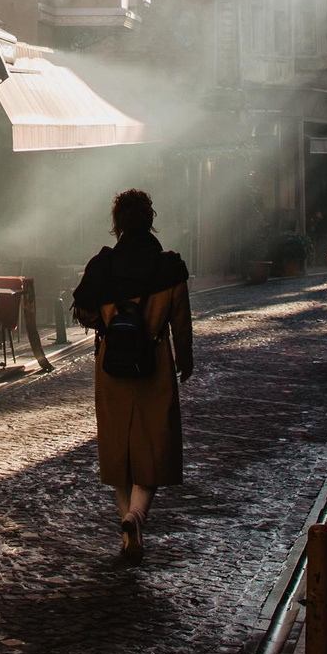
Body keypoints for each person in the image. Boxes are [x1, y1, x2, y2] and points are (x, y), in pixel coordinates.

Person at [71, 187, 194, 565]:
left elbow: (84, 310)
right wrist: (184, 360)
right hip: (154, 362)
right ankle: (135, 517)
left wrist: (109, 323)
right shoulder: (168, 267)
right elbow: (182, 323)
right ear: (150, 220)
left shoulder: (103, 265)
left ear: (117, 224)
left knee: (118, 444)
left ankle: (128, 533)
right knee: (154, 444)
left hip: (111, 365)